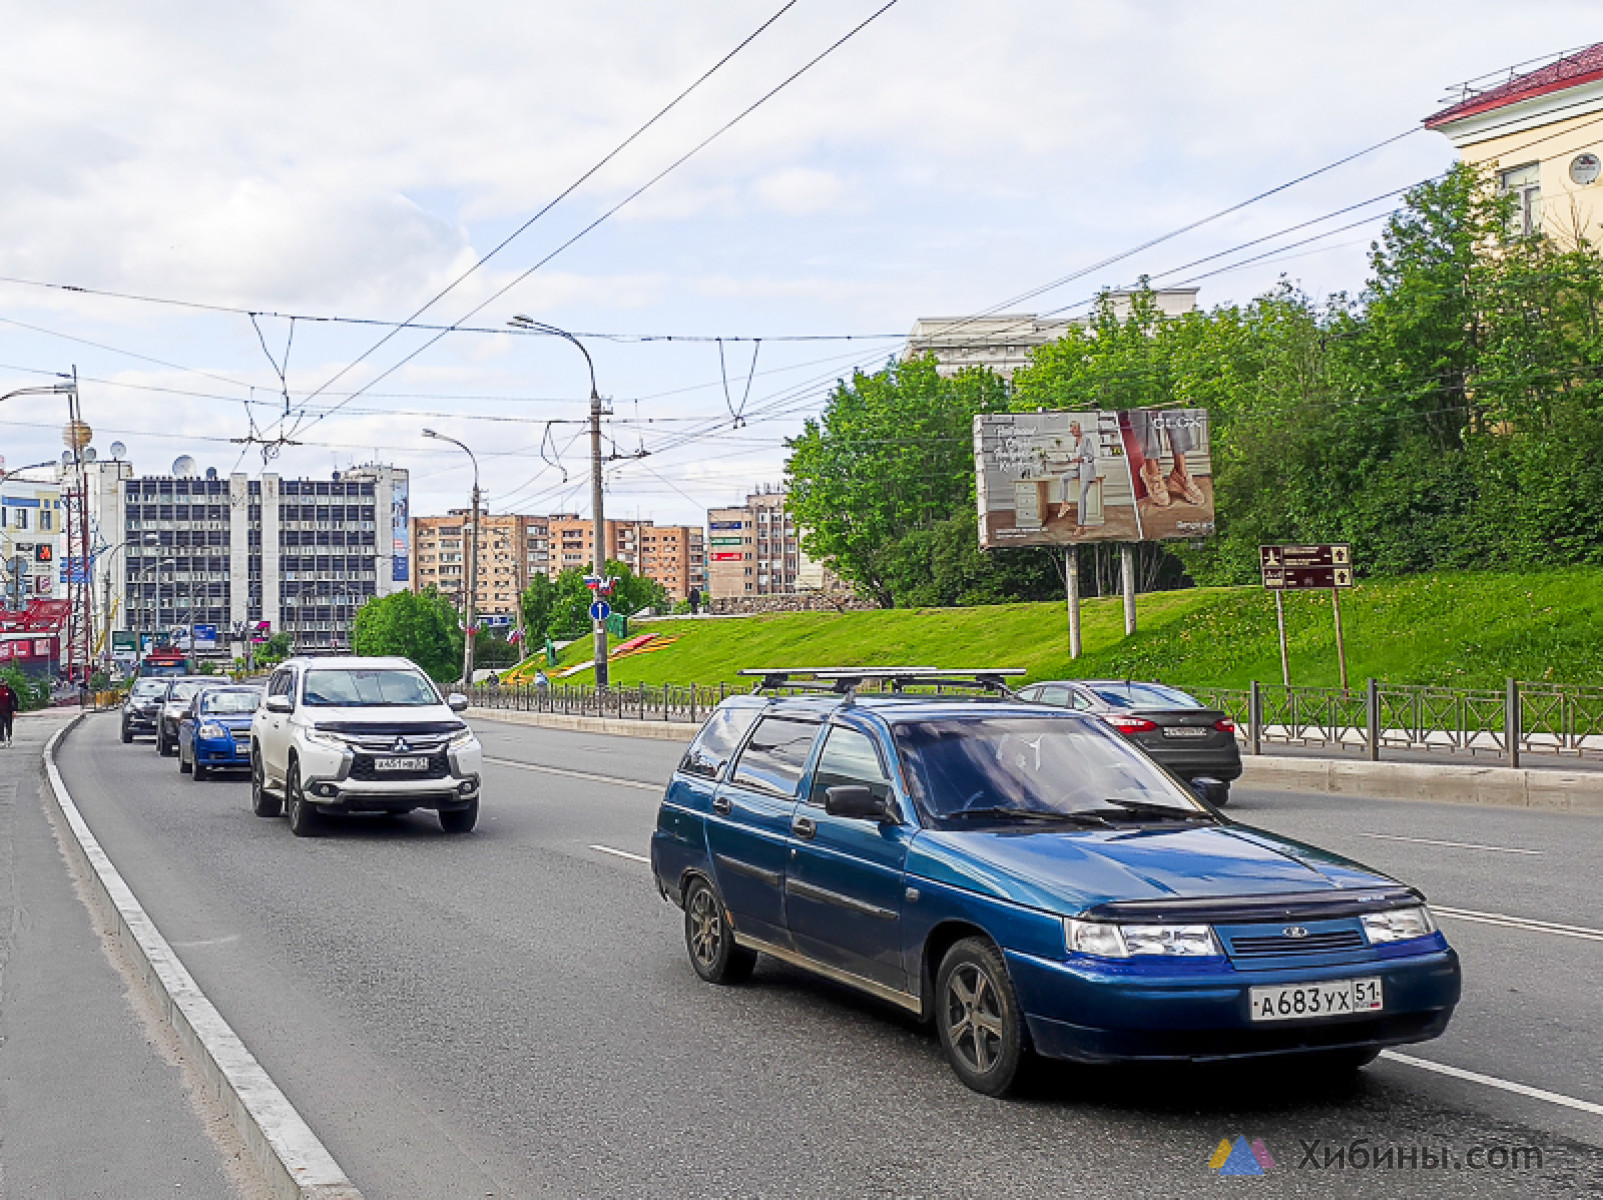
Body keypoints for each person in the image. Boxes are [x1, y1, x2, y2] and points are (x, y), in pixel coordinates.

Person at [1056, 421, 1099, 536]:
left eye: (1073, 431)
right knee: (1063, 478)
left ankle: (1081, 526)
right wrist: (1074, 459)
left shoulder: (1086, 439)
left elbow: (1091, 457)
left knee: (1081, 496)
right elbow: (1077, 456)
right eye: (1071, 432)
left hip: (1087, 470)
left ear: (1077, 428)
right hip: (1078, 469)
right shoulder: (1076, 441)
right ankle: (1065, 504)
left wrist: (1080, 459)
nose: (1072, 434)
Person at [0, 679, 17, 747]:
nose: (3, 684)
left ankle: (9, 738)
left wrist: (14, 710)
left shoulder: (10, 690)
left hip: (8, 711)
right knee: (0, 725)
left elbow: (15, 700)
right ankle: (2, 740)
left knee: (9, 726)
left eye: (4, 682)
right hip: (0, 712)